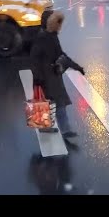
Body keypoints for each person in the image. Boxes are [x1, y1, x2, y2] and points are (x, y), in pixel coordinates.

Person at [30, 10, 84, 139]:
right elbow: (34, 59)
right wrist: (38, 77)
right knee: (45, 101)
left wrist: (76, 67)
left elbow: (60, 55)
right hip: (44, 76)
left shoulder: (51, 35)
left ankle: (64, 130)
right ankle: (49, 128)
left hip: (53, 75)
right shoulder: (42, 37)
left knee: (57, 102)